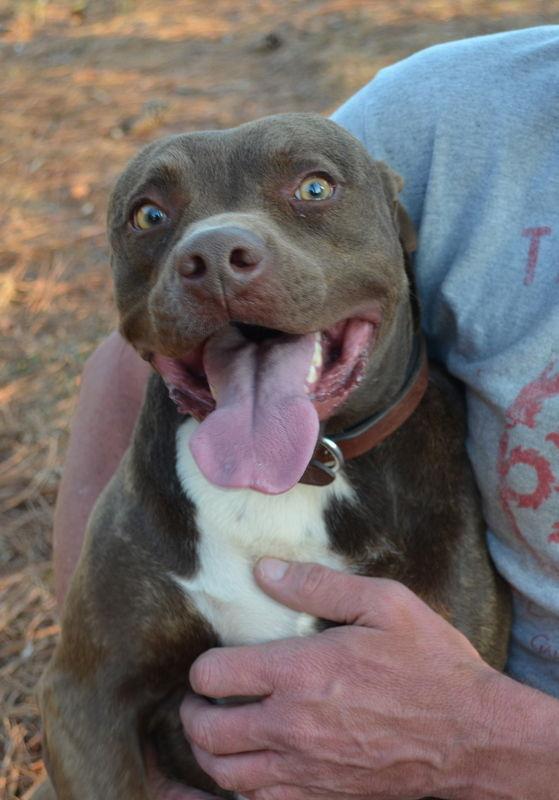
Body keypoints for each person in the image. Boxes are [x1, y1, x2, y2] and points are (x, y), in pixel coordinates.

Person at [53, 26, 559, 800]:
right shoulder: (446, 112)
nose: (217, 247)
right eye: (154, 220)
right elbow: (91, 685)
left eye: (314, 193)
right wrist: (110, 673)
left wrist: (483, 739)